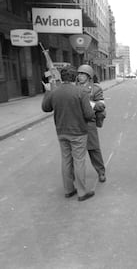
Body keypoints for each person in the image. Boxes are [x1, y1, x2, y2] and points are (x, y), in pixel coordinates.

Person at [41, 65, 96, 201]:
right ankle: (82, 192)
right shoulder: (80, 92)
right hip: (78, 132)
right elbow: (89, 115)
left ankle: (68, 189)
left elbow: (45, 108)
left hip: (61, 131)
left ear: (62, 77)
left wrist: (47, 92)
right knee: (79, 161)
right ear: (75, 77)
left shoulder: (55, 92)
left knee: (66, 160)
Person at [77, 64, 107, 183]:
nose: (80, 76)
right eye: (79, 74)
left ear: (89, 76)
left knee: (94, 149)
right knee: (76, 151)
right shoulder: (74, 87)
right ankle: (76, 174)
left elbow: (101, 105)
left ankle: (101, 171)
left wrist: (88, 104)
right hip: (76, 122)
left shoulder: (95, 89)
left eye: (83, 74)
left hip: (89, 122)